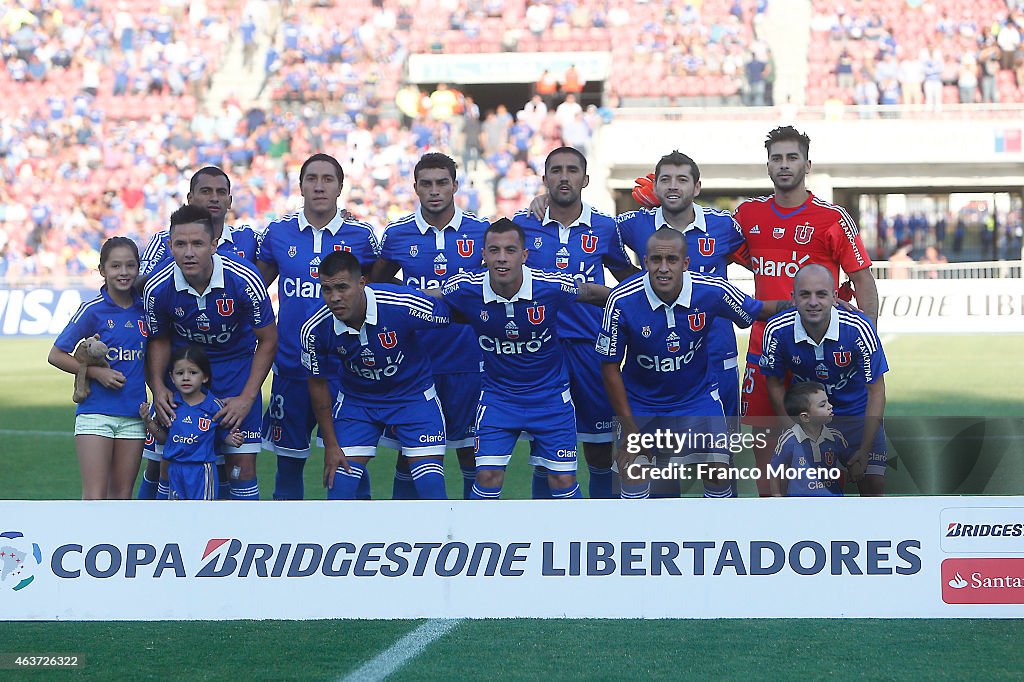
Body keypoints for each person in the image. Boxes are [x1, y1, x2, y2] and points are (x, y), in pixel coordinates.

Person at [732, 126, 878, 496]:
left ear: (807, 164)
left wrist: (867, 342)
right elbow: (704, 240)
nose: (784, 165)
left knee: (827, 459)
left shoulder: (831, 218)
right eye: (776, 158)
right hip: (765, 348)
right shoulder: (748, 216)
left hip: (820, 353)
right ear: (767, 165)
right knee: (768, 458)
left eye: (791, 157)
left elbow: (863, 280)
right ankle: (775, 536)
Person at [597, 229, 788, 500]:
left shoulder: (711, 291)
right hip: (641, 403)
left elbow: (761, 310)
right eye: (656, 260)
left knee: (720, 472)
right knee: (632, 473)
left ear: (685, 263)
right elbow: (609, 367)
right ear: (645, 262)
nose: (663, 268)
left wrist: (813, 303)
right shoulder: (621, 300)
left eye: (672, 260)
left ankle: (719, 538)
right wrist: (631, 431)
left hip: (696, 399)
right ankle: (637, 539)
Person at [428, 219, 611, 500]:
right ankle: (477, 540)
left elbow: (589, 292)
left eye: (510, 250)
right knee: (487, 476)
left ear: (524, 255)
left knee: (562, 480)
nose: (502, 257)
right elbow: (428, 298)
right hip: (499, 398)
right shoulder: (465, 286)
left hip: (550, 398)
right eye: (494, 250)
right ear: (484, 254)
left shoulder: (550, 285)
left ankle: (575, 539)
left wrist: (634, 304)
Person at [512, 146, 638, 498]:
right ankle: (544, 531)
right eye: (555, 170)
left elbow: (625, 276)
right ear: (545, 178)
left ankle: (596, 528)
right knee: (543, 450)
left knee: (598, 447)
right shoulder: (523, 224)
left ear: (585, 179)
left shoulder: (604, 226)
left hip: (589, 347)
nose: (563, 177)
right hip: (540, 349)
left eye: (571, 170)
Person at [136, 166, 263, 499]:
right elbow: (157, 334)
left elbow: (268, 335)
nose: (188, 251)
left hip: (236, 372)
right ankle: (151, 539)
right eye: (180, 244)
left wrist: (248, 396)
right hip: (183, 375)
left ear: (213, 244)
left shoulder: (246, 258)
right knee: (166, 460)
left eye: (221, 192)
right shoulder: (159, 279)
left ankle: (241, 544)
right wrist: (158, 385)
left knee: (240, 467)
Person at [256, 153, 378, 500]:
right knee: (288, 464)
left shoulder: (361, 235)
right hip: (292, 369)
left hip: (346, 371)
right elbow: (255, 290)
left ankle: (356, 540)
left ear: (340, 187)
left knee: (350, 464)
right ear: (301, 186)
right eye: (312, 178)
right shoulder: (279, 233)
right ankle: (288, 544)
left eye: (328, 179)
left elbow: (379, 288)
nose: (319, 186)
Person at [371, 152, 490, 499]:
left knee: (472, 452)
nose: (434, 191)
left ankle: (472, 534)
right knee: (410, 455)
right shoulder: (396, 235)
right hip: (414, 363)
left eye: (442, 183)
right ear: (415, 188)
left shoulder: (480, 231)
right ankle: (408, 534)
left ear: (455, 185)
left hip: (468, 360)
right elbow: (377, 286)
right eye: (426, 184)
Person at [617, 151, 749, 436]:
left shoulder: (724, 225)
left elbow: (765, 263)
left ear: (697, 187)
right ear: (655, 187)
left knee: (722, 453)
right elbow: (589, 234)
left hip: (718, 353)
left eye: (681, 180)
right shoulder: (634, 224)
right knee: (665, 454)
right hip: (660, 360)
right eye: (665, 180)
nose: (673, 186)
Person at [302, 251, 452, 500]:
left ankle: (438, 538)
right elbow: (317, 384)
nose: (335, 297)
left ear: (362, 283)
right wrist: (330, 444)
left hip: (413, 397)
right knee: (339, 487)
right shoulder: (314, 327)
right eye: (327, 290)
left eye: (342, 287)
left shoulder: (401, 304)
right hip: (358, 402)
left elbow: (448, 314)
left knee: (430, 487)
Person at [760, 264, 888, 495]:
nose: (813, 302)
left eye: (821, 294)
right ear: (793, 298)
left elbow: (876, 391)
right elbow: (775, 384)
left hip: (857, 415)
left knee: (873, 486)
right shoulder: (777, 329)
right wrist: (796, 434)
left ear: (835, 297)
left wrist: (865, 448)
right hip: (811, 420)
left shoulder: (859, 328)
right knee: (806, 491)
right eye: (805, 294)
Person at [48, 237, 148, 500]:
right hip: (95, 415)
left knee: (122, 497)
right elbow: (56, 355)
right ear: (102, 270)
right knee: (94, 498)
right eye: (115, 266)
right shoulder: (92, 310)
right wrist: (95, 373)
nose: (123, 272)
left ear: (138, 268)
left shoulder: (146, 311)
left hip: (134, 416)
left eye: (130, 265)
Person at [139, 346, 244, 500]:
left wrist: (233, 439)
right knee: (177, 515)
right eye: (180, 373)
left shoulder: (214, 406)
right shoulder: (170, 405)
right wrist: (148, 421)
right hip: (175, 468)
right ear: (172, 377)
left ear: (205, 377)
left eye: (193, 373)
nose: (186, 378)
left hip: (202, 469)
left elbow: (223, 435)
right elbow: (164, 439)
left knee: (203, 515)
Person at [138, 167, 262, 282]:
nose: (214, 198)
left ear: (229, 201)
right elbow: (140, 284)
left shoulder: (249, 238)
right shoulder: (163, 240)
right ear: (190, 198)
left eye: (221, 192)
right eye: (206, 191)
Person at [769, 382, 846, 497]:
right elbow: (774, 471)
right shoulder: (789, 440)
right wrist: (777, 498)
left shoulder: (836, 437)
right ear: (805, 417)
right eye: (822, 405)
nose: (830, 406)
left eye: (828, 401)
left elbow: (849, 462)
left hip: (832, 503)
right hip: (799, 506)